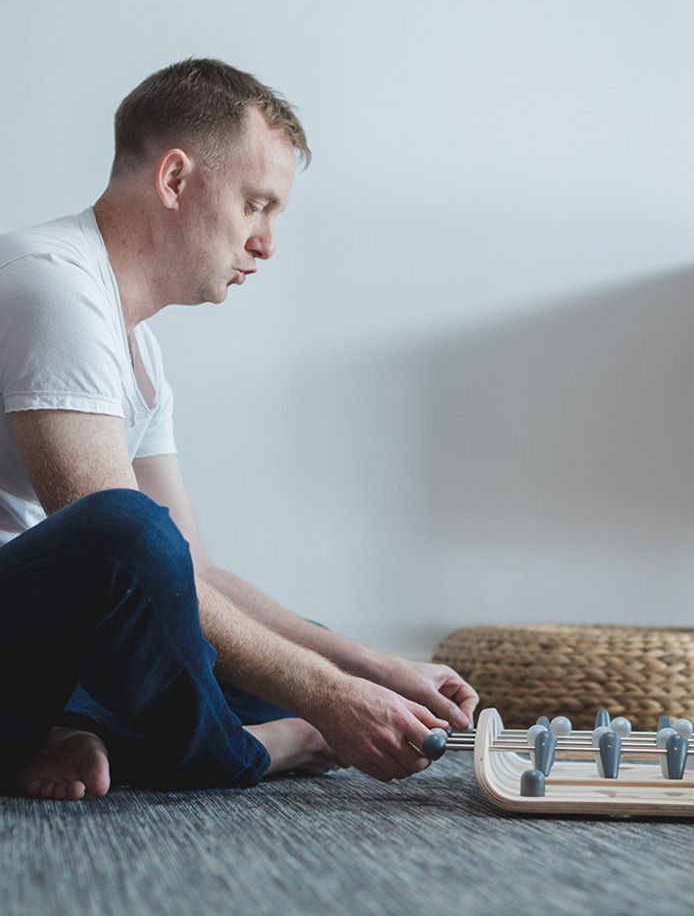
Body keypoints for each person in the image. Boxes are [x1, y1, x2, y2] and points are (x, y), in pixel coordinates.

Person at [0, 58, 477, 801]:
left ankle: (68, 732)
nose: (267, 244)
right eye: (257, 205)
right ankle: (236, 754)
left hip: (34, 654)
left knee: (272, 658)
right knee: (128, 529)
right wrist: (326, 700)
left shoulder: (139, 348)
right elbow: (115, 548)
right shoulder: (51, 283)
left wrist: (367, 668)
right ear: (175, 180)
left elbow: (193, 572)